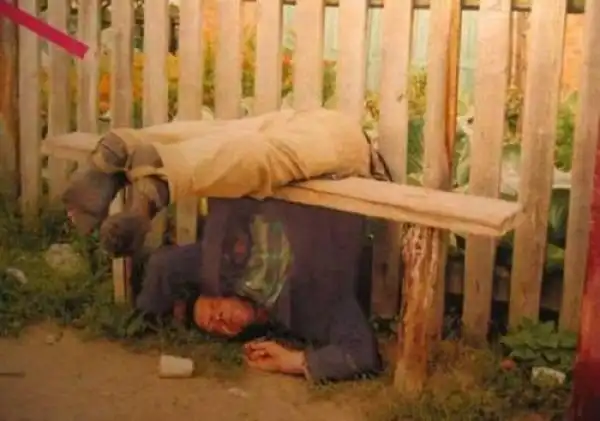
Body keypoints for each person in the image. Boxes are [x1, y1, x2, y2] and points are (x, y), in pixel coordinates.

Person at [133, 197, 383, 383]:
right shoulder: (308, 313)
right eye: (215, 327)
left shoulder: (224, 261)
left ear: (216, 288)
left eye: (214, 307)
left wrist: (145, 318)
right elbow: (361, 354)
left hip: (263, 170)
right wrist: (292, 361)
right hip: (321, 178)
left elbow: (162, 266)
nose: (219, 319)